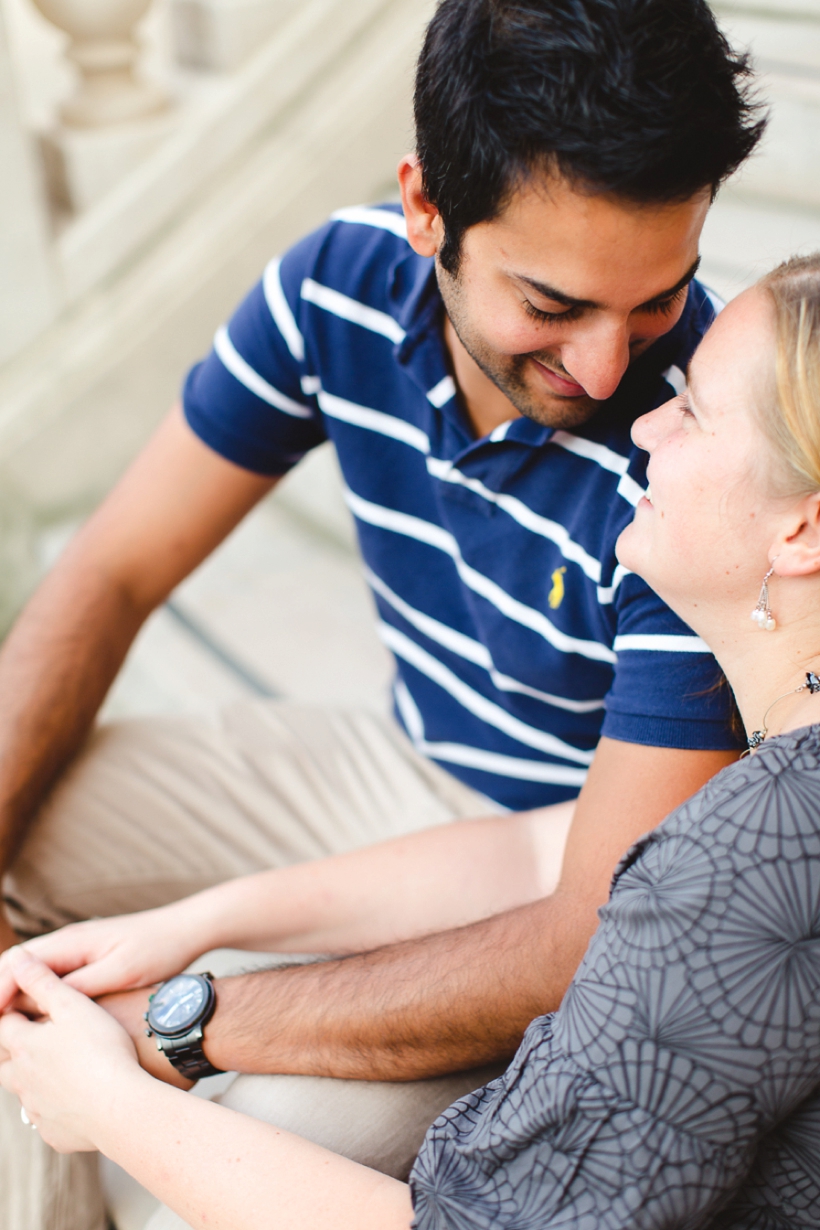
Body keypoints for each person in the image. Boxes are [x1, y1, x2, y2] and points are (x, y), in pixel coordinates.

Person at [0, 0, 763, 1224]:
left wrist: (180, 1025)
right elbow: (111, 573)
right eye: (552, 304)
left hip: (571, 872)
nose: (612, 369)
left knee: (251, 1135)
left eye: (659, 297)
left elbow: (589, 926)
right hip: (392, 768)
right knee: (16, 844)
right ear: (426, 211)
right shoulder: (336, 287)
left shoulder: (708, 457)